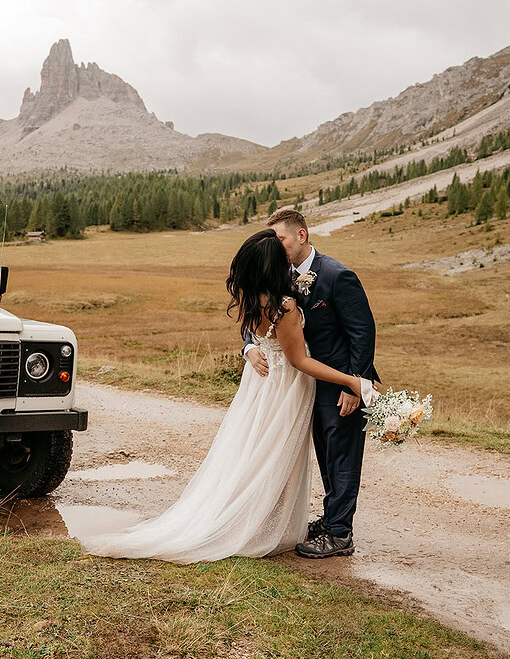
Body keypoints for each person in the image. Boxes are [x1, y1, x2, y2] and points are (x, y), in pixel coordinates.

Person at [80, 228, 365, 564]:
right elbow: (299, 360)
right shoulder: (283, 306)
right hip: (284, 386)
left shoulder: (253, 298)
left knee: (255, 452)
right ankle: (258, 524)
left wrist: (250, 348)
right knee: (273, 455)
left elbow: (266, 337)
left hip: (261, 387)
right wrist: (354, 381)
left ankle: (262, 518)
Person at [244, 209, 377, 559]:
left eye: (281, 239)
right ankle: (332, 518)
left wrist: (355, 385)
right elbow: (257, 317)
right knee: (324, 453)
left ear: (301, 236)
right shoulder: (279, 275)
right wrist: (248, 348)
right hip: (303, 385)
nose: (277, 246)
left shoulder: (337, 275)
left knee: (342, 456)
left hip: (339, 382)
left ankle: (339, 533)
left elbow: (362, 332)